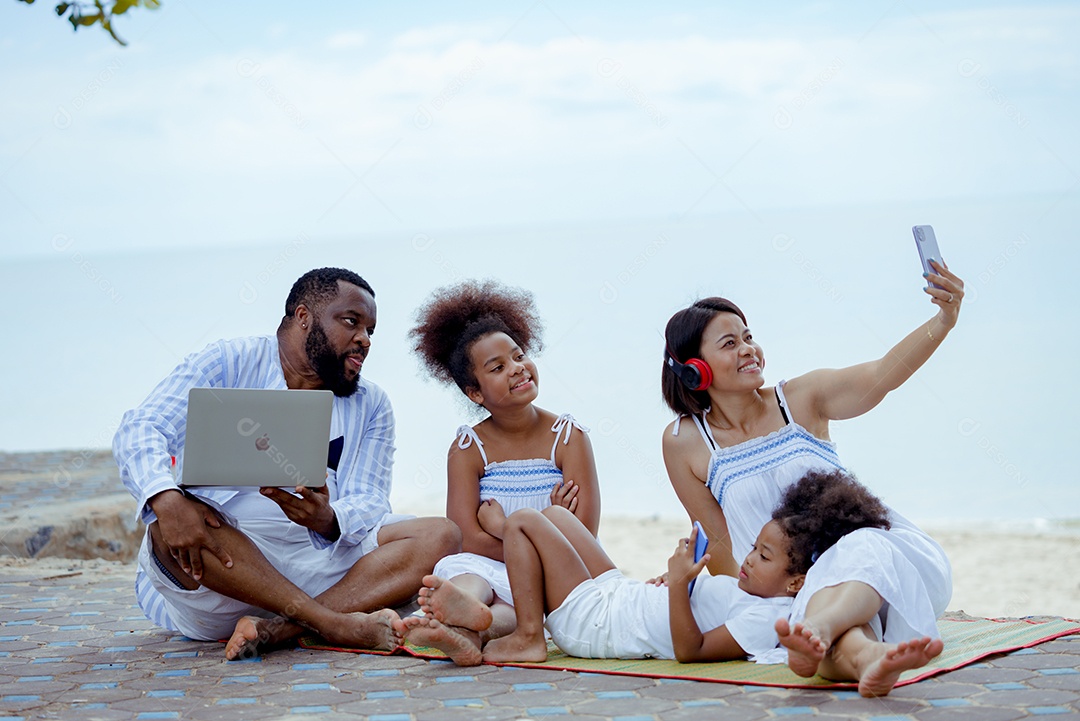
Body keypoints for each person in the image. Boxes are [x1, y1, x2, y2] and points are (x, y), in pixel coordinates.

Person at [112, 267, 461, 659]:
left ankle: (282, 630)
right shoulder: (231, 361)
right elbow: (142, 426)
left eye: (370, 332)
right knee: (167, 520)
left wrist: (328, 519)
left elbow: (371, 500)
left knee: (441, 536)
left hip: (325, 572)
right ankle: (333, 625)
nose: (363, 340)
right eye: (352, 322)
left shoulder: (371, 403)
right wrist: (165, 497)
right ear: (303, 317)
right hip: (222, 572)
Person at [660, 258, 962, 696]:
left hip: (891, 561)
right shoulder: (684, 442)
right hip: (792, 590)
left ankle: (817, 624)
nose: (748, 348)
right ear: (694, 369)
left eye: (748, 336)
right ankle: (868, 658)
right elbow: (722, 545)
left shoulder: (801, 399)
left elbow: (883, 375)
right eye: (730, 343)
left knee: (856, 547)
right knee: (827, 630)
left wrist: (944, 319)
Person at [419, 468, 890, 665]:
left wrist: (677, 587)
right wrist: (681, 582)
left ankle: (527, 635)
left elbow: (692, 650)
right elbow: (696, 609)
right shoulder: (753, 594)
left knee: (524, 521)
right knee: (555, 516)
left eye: (763, 557)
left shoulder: (770, 618)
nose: (747, 559)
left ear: (796, 582)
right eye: (753, 548)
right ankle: (477, 628)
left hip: (597, 625)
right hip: (620, 595)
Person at [403, 279, 600, 665]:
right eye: (498, 367)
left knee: (522, 607)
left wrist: (499, 527)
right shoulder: (467, 449)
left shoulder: (567, 438)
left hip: (551, 576)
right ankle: (464, 624)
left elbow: (584, 539)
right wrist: (540, 535)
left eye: (518, 355)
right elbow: (466, 539)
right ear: (475, 393)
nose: (518, 369)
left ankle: (466, 626)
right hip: (490, 566)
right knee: (470, 580)